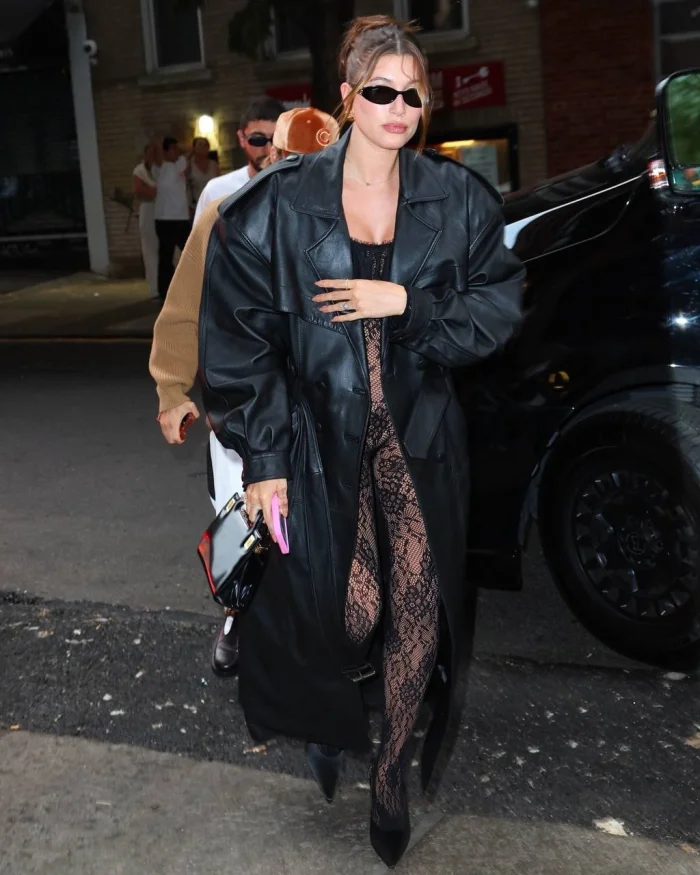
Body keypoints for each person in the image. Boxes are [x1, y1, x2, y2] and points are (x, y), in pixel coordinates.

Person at [198, 15, 525, 868]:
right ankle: (326, 711)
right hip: (317, 442)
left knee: (417, 608)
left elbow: (496, 312)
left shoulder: (457, 198)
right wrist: (265, 458)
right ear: (346, 96)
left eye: (414, 94)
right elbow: (238, 344)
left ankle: (389, 776)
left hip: (420, 440)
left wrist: (407, 304)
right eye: (381, 90)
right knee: (351, 613)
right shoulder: (275, 204)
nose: (399, 108)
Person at [149, 107, 339, 678]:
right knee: (247, 531)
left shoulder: (352, 219)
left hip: (325, 413)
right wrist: (171, 389)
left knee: (323, 540)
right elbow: (184, 309)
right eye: (290, 162)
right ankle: (237, 613)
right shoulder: (225, 215)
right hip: (244, 413)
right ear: (271, 155)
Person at [194, 96, 285, 221]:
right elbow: (201, 234)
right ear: (242, 138)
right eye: (258, 139)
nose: (269, 149)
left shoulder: (302, 190)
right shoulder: (216, 192)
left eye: (277, 139)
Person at [151, 136, 191, 300]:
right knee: (165, 256)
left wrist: (178, 147)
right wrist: (160, 145)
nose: (176, 152)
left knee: (191, 252)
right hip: (164, 219)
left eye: (176, 149)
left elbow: (188, 151)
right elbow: (154, 155)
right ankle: (165, 292)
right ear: (166, 152)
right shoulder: (159, 168)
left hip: (181, 218)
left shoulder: (180, 163)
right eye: (172, 149)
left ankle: (193, 287)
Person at [131, 146, 159, 299]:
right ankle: (154, 288)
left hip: (166, 210)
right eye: (150, 153)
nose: (153, 156)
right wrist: (156, 191)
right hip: (148, 211)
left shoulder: (163, 169)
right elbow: (140, 191)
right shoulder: (139, 171)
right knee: (150, 249)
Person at [187, 136, 219, 212]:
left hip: (212, 204)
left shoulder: (213, 164)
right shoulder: (189, 165)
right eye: (200, 144)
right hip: (195, 205)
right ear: (194, 148)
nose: (203, 147)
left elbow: (218, 184)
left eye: (205, 145)